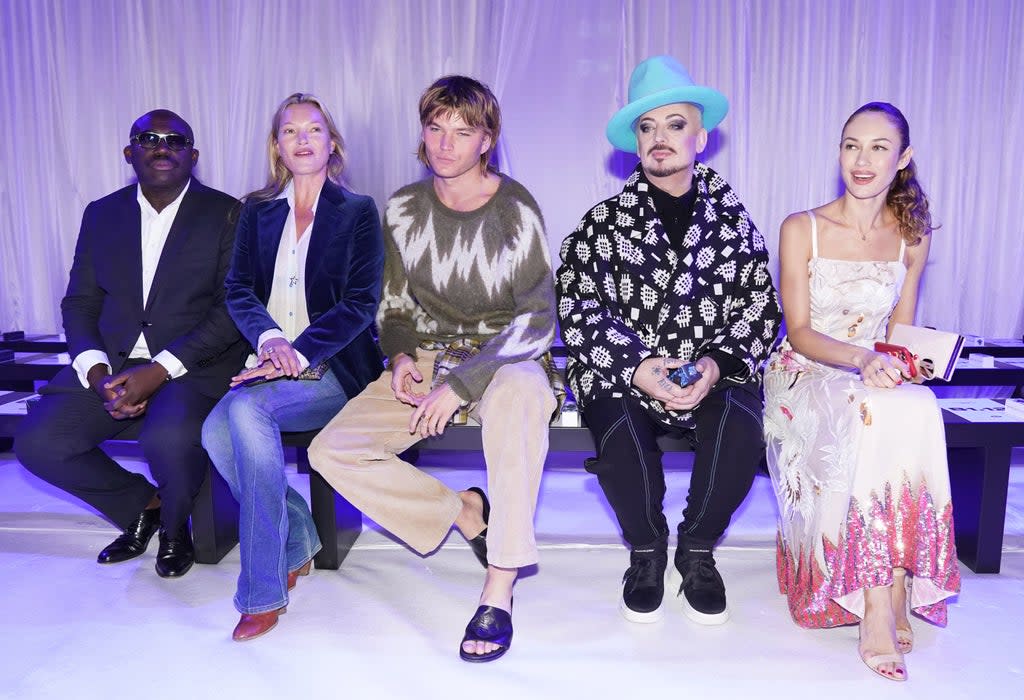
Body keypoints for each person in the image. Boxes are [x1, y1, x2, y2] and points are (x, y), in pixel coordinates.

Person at [309, 75, 557, 663]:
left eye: (462, 131)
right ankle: (465, 512)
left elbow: (539, 316)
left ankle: (500, 583)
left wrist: (463, 384)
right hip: (427, 355)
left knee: (523, 400)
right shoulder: (402, 207)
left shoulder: (514, 207)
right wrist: (397, 356)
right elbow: (393, 306)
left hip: (506, 356)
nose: (445, 144)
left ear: (486, 140)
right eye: (435, 127)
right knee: (331, 451)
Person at [556, 56, 781, 626]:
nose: (661, 139)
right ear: (635, 141)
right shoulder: (599, 225)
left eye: (675, 124)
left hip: (708, 369)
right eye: (647, 127)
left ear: (700, 137)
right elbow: (577, 305)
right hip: (625, 371)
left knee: (742, 425)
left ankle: (698, 548)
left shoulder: (735, 222)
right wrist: (639, 366)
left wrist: (711, 365)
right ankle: (647, 549)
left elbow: (759, 306)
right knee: (618, 436)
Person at [762, 102, 959, 682]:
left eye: (878, 147)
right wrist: (863, 359)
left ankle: (898, 574)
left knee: (919, 405)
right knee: (871, 409)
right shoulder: (804, 227)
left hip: (871, 374)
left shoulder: (910, 238)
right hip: (806, 371)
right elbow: (798, 331)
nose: (862, 159)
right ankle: (878, 602)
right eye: (852, 145)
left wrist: (911, 361)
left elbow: (898, 334)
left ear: (903, 159)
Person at [15, 110, 246, 578]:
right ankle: (145, 508)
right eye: (149, 138)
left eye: (175, 140)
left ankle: (178, 529)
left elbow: (231, 308)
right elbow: (80, 301)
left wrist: (158, 370)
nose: (162, 146)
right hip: (114, 363)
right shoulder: (102, 213)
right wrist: (97, 372)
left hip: (191, 364)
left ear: (193, 155)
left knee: (168, 437)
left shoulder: (228, 213)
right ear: (130, 152)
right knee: (38, 442)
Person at [201, 93, 384, 641]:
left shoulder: (357, 212)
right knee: (214, 432)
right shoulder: (255, 211)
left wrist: (298, 352)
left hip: (331, 366)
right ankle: (300, 535)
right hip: (266, 357)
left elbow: (359, 302)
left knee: (248, 414)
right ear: (277, 146)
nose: (302, 139)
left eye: (314, 130)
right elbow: (236, 289)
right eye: (290, 131)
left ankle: (261, 591)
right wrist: (271, 340)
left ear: (333, 145)